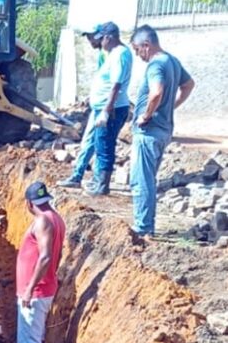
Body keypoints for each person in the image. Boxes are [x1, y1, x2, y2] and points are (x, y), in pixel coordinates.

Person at [129, 25, 195, 236]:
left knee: (141, 180)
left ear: (146, 46)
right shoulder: (173, 61)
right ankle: (145, 226)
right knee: (148, 178)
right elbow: (189, 85)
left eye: (137, 50)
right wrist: (171, 107)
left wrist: (146, 115)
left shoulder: (156, 64)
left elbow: (156, 92)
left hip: (149, 131)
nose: (138, 56)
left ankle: (143, 228)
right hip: (163, 129)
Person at [3, 181, 66, 343]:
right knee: (36, 337)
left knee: (32, 340)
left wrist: (29, 289)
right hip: (43, 288)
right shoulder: (56, 218)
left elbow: (46, 256)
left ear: (29, 204)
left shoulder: (42, 222)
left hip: (37, 292)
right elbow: (55, 257)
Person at [84, 22, 132, 195]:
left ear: (109, 37)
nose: (99, 43)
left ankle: (102, 186)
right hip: (106, 107)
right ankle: (98, 182)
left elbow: (116, 84)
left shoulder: (120, 54)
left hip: (112, 110)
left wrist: (106, 110)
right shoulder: (113, 53)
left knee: (105, 145)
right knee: (100, 144)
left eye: (101, 39)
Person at [58, 25, 105, 188]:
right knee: (91, 141)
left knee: (100, 143)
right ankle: (80, 176)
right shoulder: (103, 54)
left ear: (100, 36)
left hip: (105, 108)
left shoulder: (113, 55)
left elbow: (114, 84)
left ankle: (96, 181)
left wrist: (106, 107)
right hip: (99, 106)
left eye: (91, 37)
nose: (89, 40)